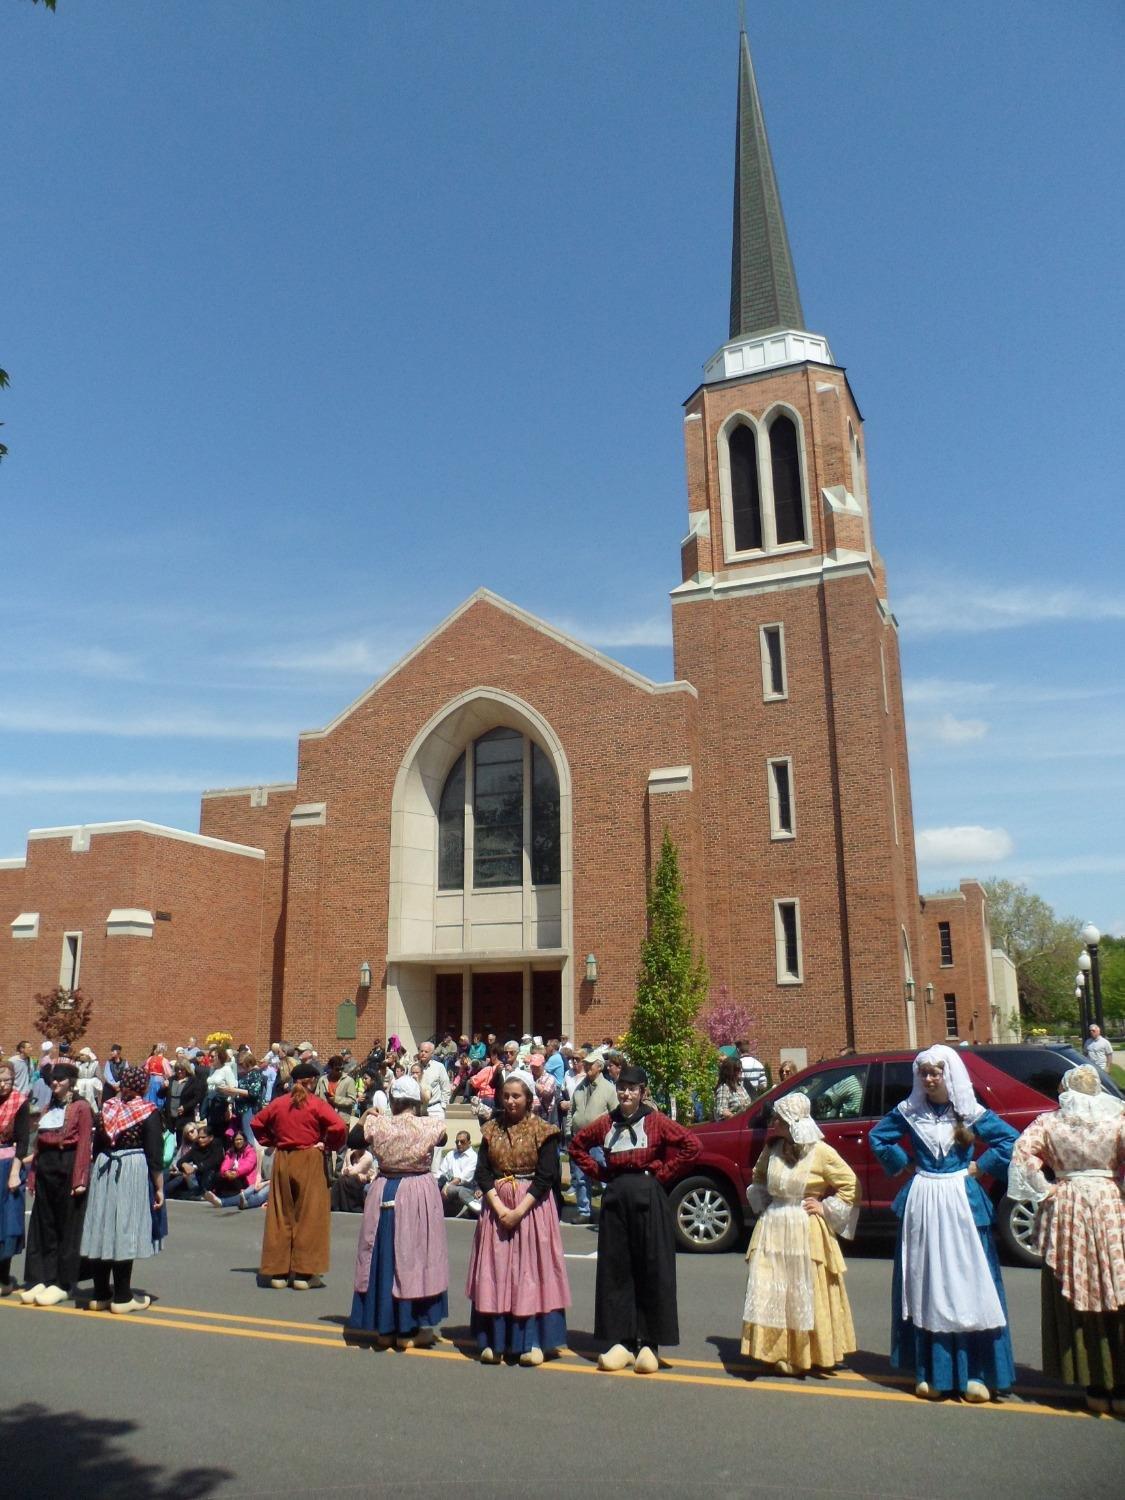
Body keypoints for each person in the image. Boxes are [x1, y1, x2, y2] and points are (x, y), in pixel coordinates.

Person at [868, 1044, 1018, 1402]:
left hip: (961, 1201)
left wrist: (980, 1167)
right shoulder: (909, 1112)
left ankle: (977, 1374)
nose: (930, 1078)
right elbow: (879, 1137)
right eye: (924, 1073)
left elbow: (1009, 1140)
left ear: (950, 1074)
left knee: (969, 1282)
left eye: (936, 1072)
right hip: (924, 1202)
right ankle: (932, 1372)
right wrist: (903, 1161)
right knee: (927, 1283)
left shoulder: (969, 1112)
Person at [1008, 1064, 1125, 1413]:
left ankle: (1093, 1383)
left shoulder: (1050, 1122)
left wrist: (1045, 1190)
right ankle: (1119, 1387)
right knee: (1114, 1285)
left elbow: (1021, 1155)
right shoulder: (1117, 1118)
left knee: (1077, 1282)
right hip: (1110, 1203)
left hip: (1068, 1202)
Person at [569, 1064, 701, 1373]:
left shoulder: (655, 1122)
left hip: (648, 1196)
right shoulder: (605, 1124)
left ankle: (649, 1343)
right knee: (617, 1267)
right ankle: (621, 1341)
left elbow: (692, 1145)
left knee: (652, 1267)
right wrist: (601, 1173)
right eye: (622, 1088)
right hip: (616, 1197)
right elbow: (576, 1146)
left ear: (642, 1092)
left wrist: (662, 1174)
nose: (626, 1093)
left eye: (632, 1088)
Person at [740, 1092, 859, 1374]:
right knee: (775, 1289)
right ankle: (779, 1352)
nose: (774, 1125)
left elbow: (850, 1184)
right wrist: (768, 1204)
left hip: (806, 1229)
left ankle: (807, 1354)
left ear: (792, 1122)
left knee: (805, 1291)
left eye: (778, 1120)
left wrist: (824, 1207)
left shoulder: (821, 1152)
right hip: (775, 1227)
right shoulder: (772, 1149)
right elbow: (758, 1177)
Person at [466, 1073, 570, 1365]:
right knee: (496, 1271)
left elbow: (547, 1175)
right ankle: (494, 1340)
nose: (510, 1101)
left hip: (532, 1209)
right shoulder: (490, 1130)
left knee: (530, 1272)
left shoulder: (544, 1130)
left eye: (517, 1096)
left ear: (528, 1099)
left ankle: (532, 1341)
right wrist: (499, 1209)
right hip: (497, 1207)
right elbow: (483, 1172)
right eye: (507, 1096)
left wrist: (519, 1210)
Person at [347, 1076, 449, 1347]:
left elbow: (354, 1139)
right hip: (418, 1191)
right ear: (416, 1102)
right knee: (415, 1257)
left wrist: (366, 1115)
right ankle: (410, 1326)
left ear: (392, 1101)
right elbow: (442, 1138)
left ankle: (385, 1328)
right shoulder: (430, 1124)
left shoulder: (378, 1123)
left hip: (385, 1187)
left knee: (383, 1254)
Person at [80, 1063, 167, 1314]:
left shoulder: (107, 1108)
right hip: (131, 1168)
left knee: (102, 1226)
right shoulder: (148, 1111)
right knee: (124, 1228)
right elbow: (154, 1153)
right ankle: (122, 1296)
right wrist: (159, 1187)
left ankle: (99, 1294)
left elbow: (96, 1146)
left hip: (105, 1166)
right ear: (143, 1086)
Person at [251, 1062, 346, 1289]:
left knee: (280, 1214)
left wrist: (272, 1141)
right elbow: (339, 1127)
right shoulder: (316, 1104)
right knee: (310, 1215)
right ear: (312, 1081)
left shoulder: (279, 1103)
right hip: (309, 1157)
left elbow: (257, 1123)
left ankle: (278, 1273)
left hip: (283, 1158)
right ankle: (304, 1274)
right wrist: (327, 1144)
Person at [21, 1062, 94, 1306]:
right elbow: (38, 1145)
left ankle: (62, 1282)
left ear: (71, 1082)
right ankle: (40, 1277)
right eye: (53, 1080)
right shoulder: (47, 1107)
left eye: (60, 1080)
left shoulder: (81, 1107)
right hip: (46, 1167)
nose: (55, 1083)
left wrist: (80, 1178)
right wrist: (33, 1174)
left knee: (67, 1226)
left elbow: (84, 1143)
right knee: (44, 1224)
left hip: (68, 1163)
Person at [566, 1050, 617, 1222]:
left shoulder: (609, 1089)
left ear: (600, 1067)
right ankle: (584, 1211)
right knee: (581, 1177)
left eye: (590, 1064)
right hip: (580, 1140)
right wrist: (568, 1133)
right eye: (585, 1064)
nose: (586, 1066)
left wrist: (611, 1139)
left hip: (599, 1142)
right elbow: (571, 1111)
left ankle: (611, 1210)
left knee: (604, 1177)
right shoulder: (580, 1087)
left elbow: (616, 1115)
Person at [0, 1060, 31, 1295]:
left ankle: (3, 1278)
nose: (4, 1085)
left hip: (8, 1164)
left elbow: (22, 1140)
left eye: (8, 1080)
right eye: (0, 1080)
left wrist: (14, 1173)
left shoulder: (19, 1102)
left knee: (7, 1222)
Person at [164, 1123, 223, 1199]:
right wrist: (183, 1164)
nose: (200, 1140)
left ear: (211, 1137)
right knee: (165, 1174)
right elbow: (181, 1161)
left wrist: (195, 1167)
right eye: (199, 1138)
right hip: (194, 1176)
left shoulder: (216, 1144)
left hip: (211, 1176)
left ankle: (202, 1193)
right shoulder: (196, 1146)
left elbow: (214, 1161)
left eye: (203, 1137)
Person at [437, 1131, 479, 1217]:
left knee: (459, 1190)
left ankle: (478, 1208)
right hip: (446, 1186)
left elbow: (462, 1179)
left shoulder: (473, 1157)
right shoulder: (451, 1154)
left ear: (469, 1143)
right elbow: (441, 1172)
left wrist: (447, 1186)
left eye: (462, 1142)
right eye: (457, 1142)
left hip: (464, 1188)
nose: (459, 1144)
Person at [417, 1041, 451, 1118]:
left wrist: (443, 1106)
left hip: (435, 1109)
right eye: (421, 1051)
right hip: (418, 1109)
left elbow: (445, 1088)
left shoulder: (439, 1067)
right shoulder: (414, 1067)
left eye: (426, 1052)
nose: (423, 1053)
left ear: (432, 1054)